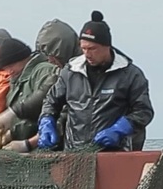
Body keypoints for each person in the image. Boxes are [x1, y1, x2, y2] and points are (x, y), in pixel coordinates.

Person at [37, 11, 153, 152]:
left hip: (114, 152)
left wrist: (120, 128)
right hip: (74, 153)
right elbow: (51, 101)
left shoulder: (130, 74)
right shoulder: (70, 71)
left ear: (107, 46)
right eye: (84, 48)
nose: (87, 54)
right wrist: (46, 121)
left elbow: (143, 111)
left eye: (92, 49)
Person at [0, 20, 81, 152]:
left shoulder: (45, 71)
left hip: (57, 148)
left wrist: (21, 137)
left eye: (10, 66)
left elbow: (55, 107)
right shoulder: (16, 80)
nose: (9, 71)